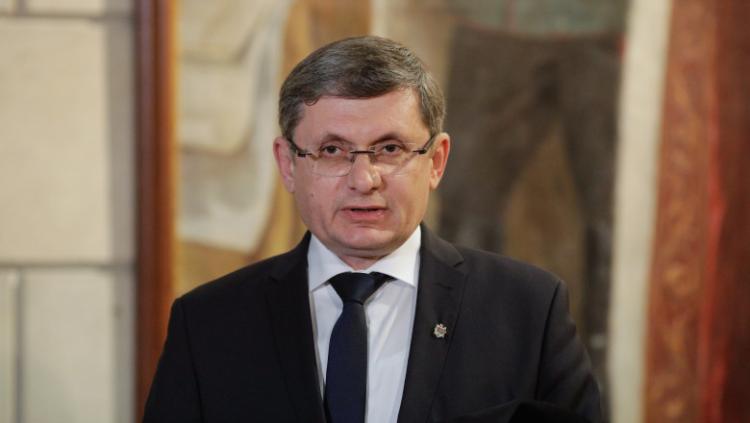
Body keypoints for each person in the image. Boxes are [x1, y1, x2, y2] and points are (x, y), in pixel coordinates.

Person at [143, 36, 602, 423]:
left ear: (436, 160)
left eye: (389, 148)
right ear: (287, 164)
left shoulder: (528, 309)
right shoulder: (208, 323)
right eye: (332, 150)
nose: (364, 180)